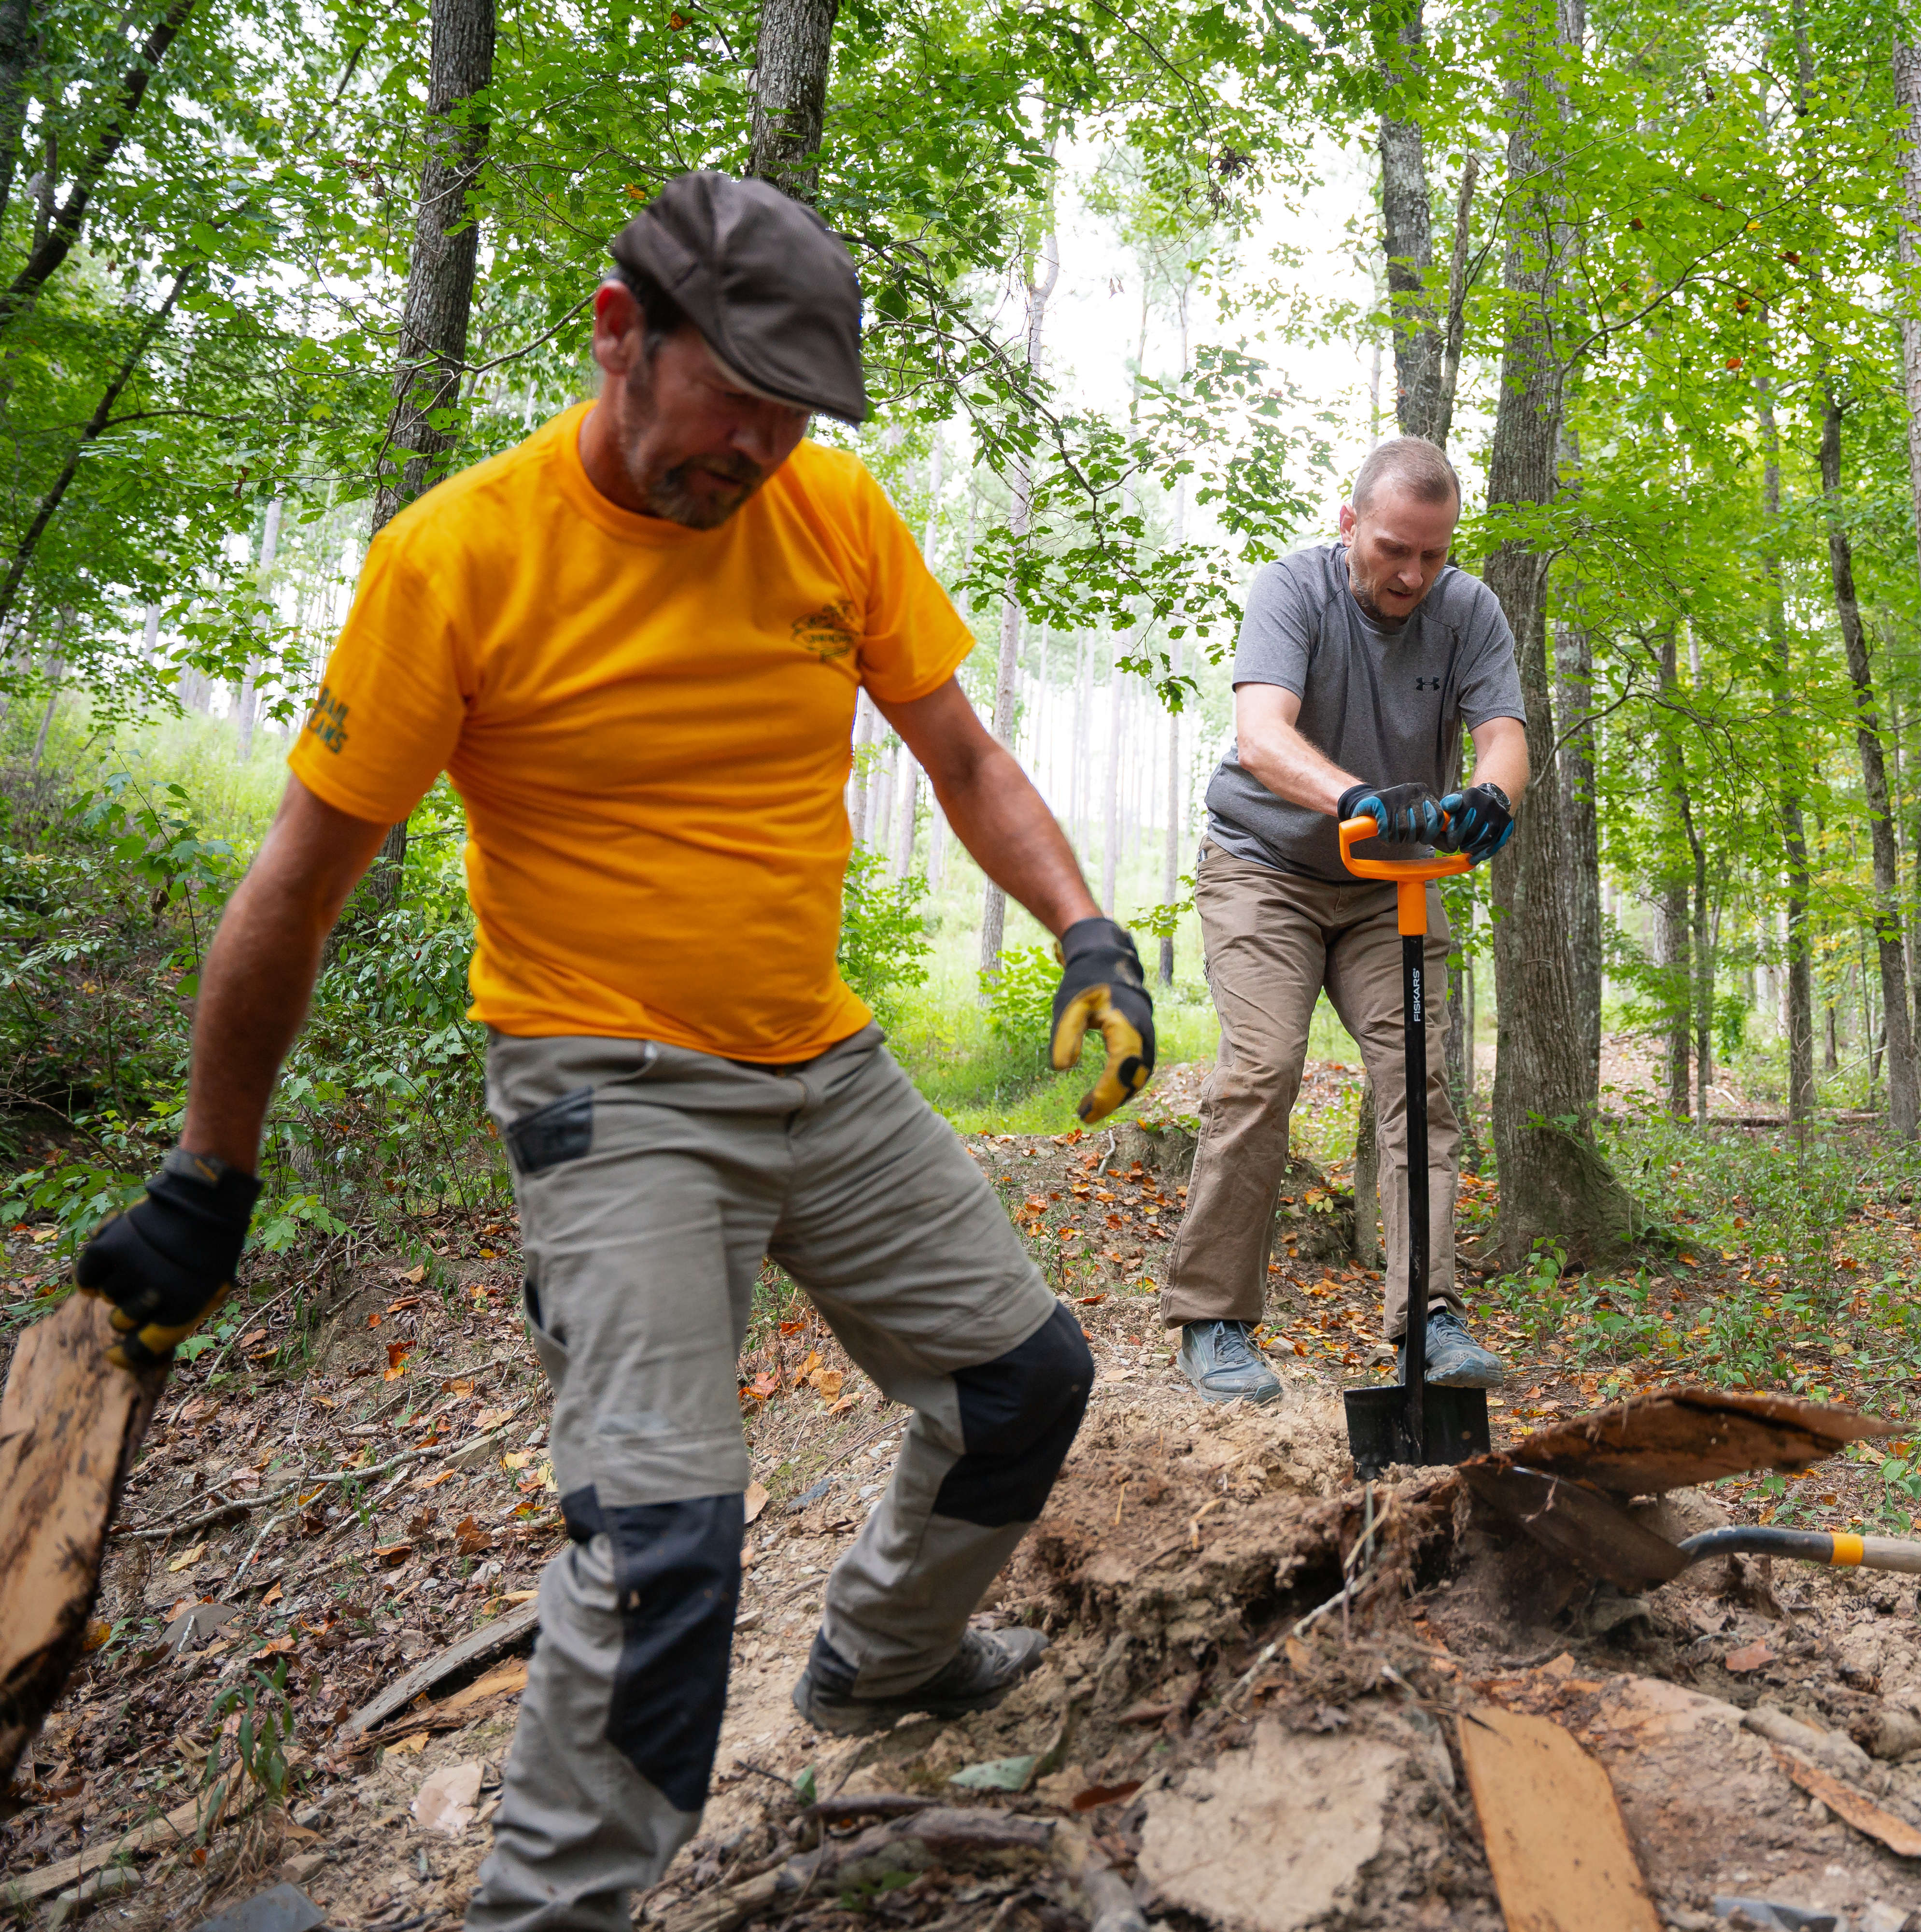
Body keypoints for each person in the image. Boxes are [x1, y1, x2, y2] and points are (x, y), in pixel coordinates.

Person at [71, 173, 1156, 1931]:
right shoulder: (461, 558)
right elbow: (296, 888)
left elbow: (959, 754)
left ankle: (880, 1664)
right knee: (664, 1553)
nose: (759, 451)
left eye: (794, 419)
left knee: (1022, 1386)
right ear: (615, 332)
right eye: (735, 399)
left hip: (825, 1063)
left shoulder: (831, 514)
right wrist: (209, 1176)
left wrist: (1087, 936)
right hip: (609, 1093)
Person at [1161, 436, 1529, 1405]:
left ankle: (1430, 1318)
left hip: (1390, 886)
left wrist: (1493, 794)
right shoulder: (1293, 592)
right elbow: (1262, 735)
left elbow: (1503, 735)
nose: (1412, 573)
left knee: (1420, 1082)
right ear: (1350, 523)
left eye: (1433, 555)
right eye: (1394, 548)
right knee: (1263, 1067)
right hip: (1265, 867)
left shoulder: (1470, 612)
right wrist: (1360, 795)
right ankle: (1213, 1317)